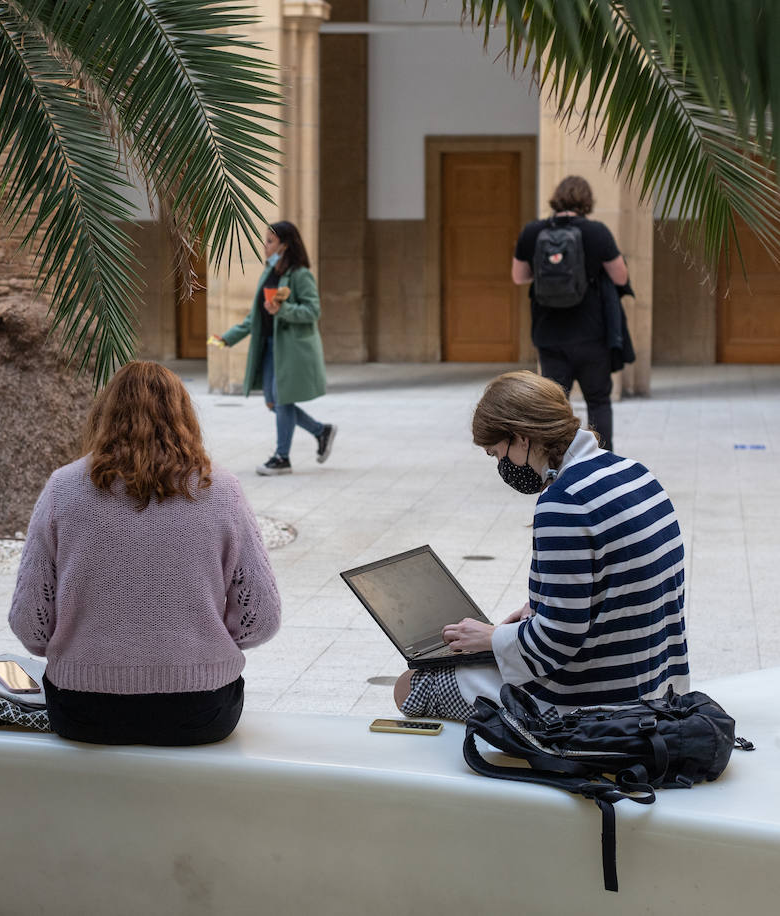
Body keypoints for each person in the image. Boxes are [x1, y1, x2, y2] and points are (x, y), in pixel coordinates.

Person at [9, 360, 281, 745]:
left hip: (83, 709)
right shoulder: (223, 490)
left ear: (104, 414)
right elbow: (262, 619)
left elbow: (29, 624)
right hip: (202, 710)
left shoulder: (63, 488)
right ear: (185, 416)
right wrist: (201, 647)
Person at [394, 371, 689, 720]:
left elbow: (557, 643)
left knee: (411, 684)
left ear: (521, 438)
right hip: (657, 685)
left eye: (497, 453)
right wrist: (539, 611)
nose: (503, 466)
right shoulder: (632, 471)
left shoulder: (563, 503)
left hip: (594, 706)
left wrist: (493, 639)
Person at [512, 176, 630, 451]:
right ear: (587, 201)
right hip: (592, 334)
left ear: (556, 199)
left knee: (553, 406)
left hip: (549, 334)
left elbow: (519, 277)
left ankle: (556, 464)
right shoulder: (597, 232)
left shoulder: (532, 231)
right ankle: (602, 464)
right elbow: (621, 277)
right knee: (598, 400)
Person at [211, 220, 332, 476]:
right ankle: (322, 431)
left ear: (285, 245)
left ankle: (282, 457)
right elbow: (255, 316)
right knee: (272, 402)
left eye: (270, 241)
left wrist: (283, 309)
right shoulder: (268, 273)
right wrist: (227, 337)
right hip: (268, 346)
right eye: (265, 241)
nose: (265, 246)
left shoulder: (300, 275)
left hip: (291, 349)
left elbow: (313, 311)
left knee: (282, 399)